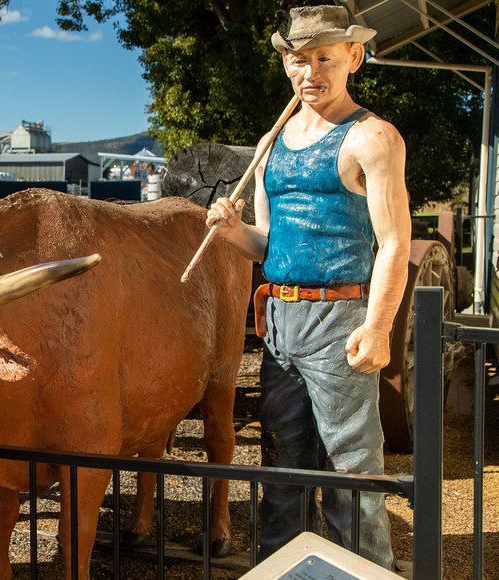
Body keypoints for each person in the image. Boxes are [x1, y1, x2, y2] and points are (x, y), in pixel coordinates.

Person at [206, 5, 411, 572]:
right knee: (282, 465)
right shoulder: (270, 143)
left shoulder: (372, 137)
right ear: (285, 65)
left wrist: (378, 325)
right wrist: (231, 231)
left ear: (354, 57)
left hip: (341, 320)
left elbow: (394, 242)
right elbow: (265, 245)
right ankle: (283, 569)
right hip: (279, 322)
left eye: (325, 57)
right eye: (299, 59)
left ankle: (366, 572)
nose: (311, 71)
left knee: (352, 471)